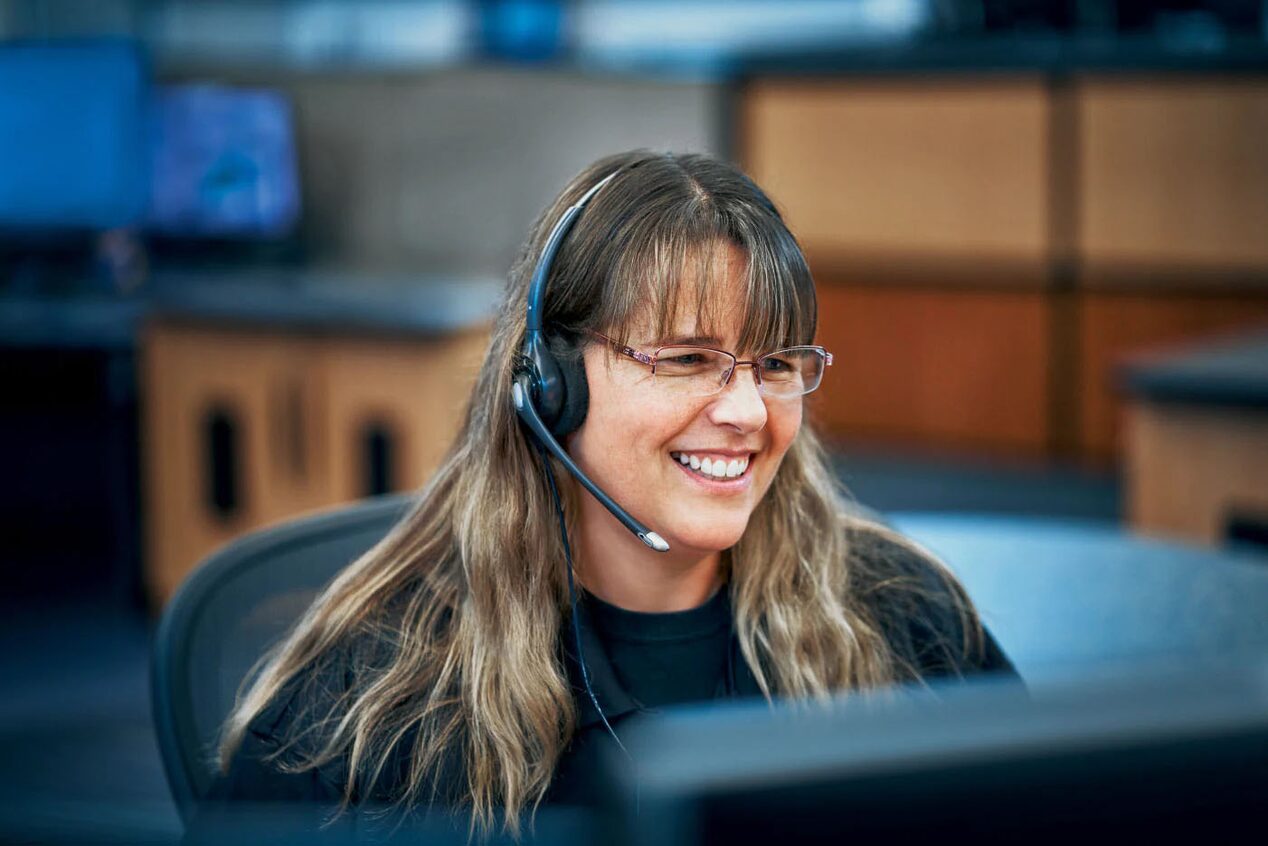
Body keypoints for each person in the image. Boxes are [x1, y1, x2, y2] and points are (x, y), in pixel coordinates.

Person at [207, 150, 1016, 837]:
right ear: (551, 386)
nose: (746, 412)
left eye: (774, 364)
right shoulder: (374, 706)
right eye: (687, 359)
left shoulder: (900, 622)